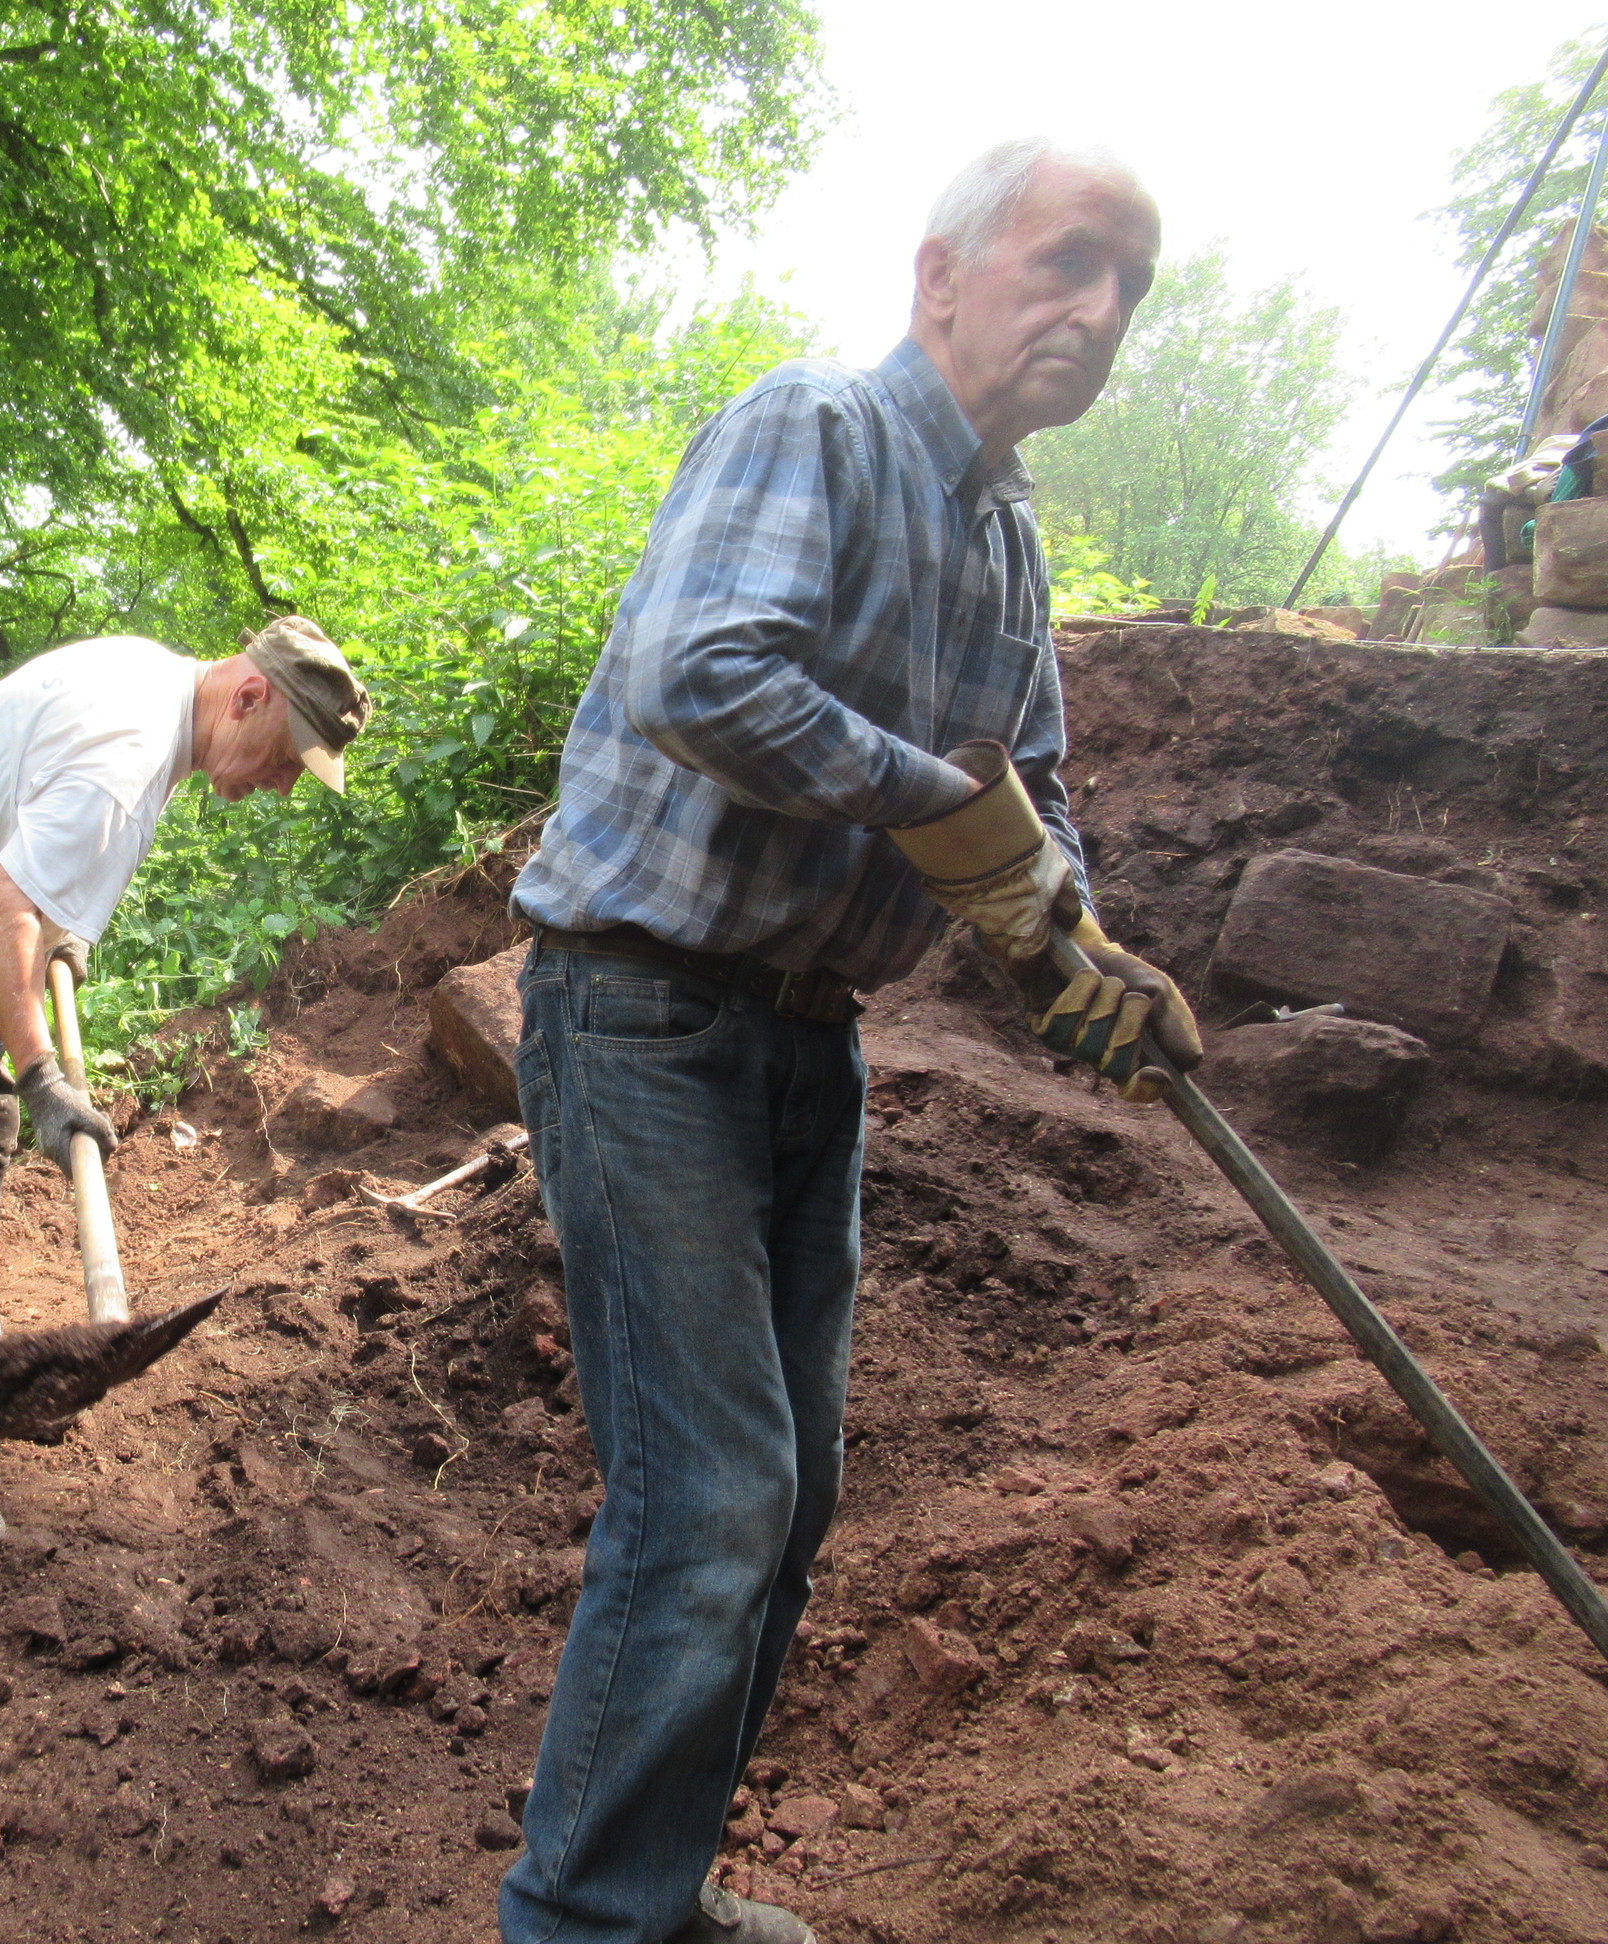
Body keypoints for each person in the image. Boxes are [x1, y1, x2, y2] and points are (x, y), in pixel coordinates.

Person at [498, 140, 1204, 1944]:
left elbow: (1029, 792)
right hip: (641, 1010)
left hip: (811, 1044)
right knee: (709, 1497)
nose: (1100, 308)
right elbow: (699, 674)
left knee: (786, 1498)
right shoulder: (814, 424)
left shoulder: (1008, 545)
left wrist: (1075, 946)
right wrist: (939, 812)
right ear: (942, 274)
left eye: (1130, 285)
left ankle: (651, 1893)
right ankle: (581, 1924)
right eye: (1067, 261)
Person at [0, 619, 371, 1569]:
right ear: (250, 697)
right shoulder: (129, 754)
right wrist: (45, 1075)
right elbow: (1, 908)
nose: (282, 784)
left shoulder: (161, 703)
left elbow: (31, 862)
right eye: (287, 759)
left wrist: (61, 929)